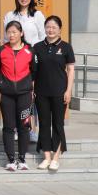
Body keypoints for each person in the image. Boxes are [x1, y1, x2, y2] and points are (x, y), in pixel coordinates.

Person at [32, 16, 75, 171]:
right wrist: (32, 90)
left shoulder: (66, 47)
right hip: (41, 92)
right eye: (48, 27)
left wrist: (68, 90)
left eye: (54, 27)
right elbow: (34, 72)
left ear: (59, 29)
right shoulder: (37, 47)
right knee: (44, 124)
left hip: (60, 92)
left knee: (58, 124)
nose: (50, 30)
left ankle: (56, 157)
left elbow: (71, 70)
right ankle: (46, 157)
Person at [0, 21, 36, 172]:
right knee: (8, 127)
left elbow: (35, 71)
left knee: (24, 126)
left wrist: (31, 89)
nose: (11, 35)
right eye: (9, 32)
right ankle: (11, 159)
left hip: (25, 94)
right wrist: (1, 85)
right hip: (6, 95)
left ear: (21, 33)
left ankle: (22, 159)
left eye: (14, 32)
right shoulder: (1, 51)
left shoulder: (29, 50)